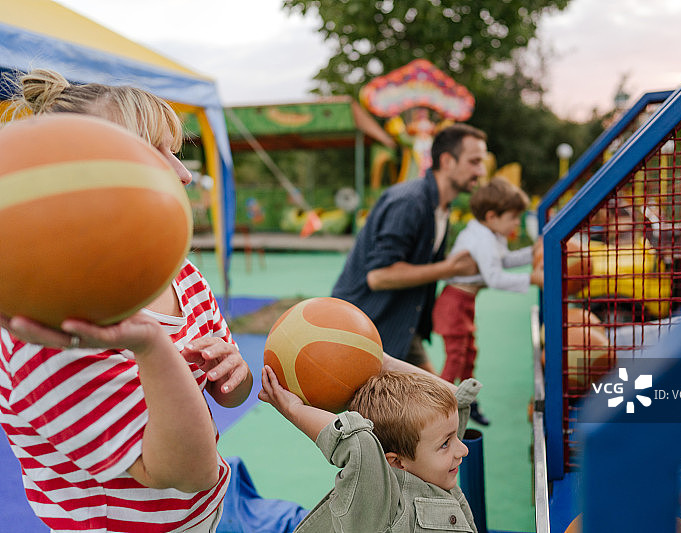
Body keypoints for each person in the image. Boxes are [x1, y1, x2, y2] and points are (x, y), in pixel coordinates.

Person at [0, 69, 253, 532]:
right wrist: (153, 346)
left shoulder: (182, 274)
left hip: (208, 513)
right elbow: (187, 472)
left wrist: (235, 373)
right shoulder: (53, 333)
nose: (182, 174)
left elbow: (229, 391)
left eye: (174, 154)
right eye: (147, 154)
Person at [332, 123, 487, 372]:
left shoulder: (441, 207)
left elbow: (421, 264)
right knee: (428, 404)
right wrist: (448, 268)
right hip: (364, 329)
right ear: (447, 161)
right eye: (474, 161)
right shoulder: (409, 201)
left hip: (401, 325)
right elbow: (379, 276)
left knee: (442, 403)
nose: (481, 170)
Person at [258, 366, 482, 532]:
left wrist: (379, 362)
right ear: (396, 462)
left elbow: (456, 401)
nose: (462, 450)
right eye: (445, 443)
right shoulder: (382, 504)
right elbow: (358, 442)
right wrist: (294, 409)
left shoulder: (431, 466)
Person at [433, 178, 541, 426]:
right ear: (492, 216)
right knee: (455, 358)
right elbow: (494, 277)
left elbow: (503, 261)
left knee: (469, 354)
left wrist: (533, 252)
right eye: (513, 217)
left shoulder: (490, 234)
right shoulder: (481, 239)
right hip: (454, 302)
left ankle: (469, 402)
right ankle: (439, 410)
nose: (517, 223)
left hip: (465, 302)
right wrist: (532, 279)